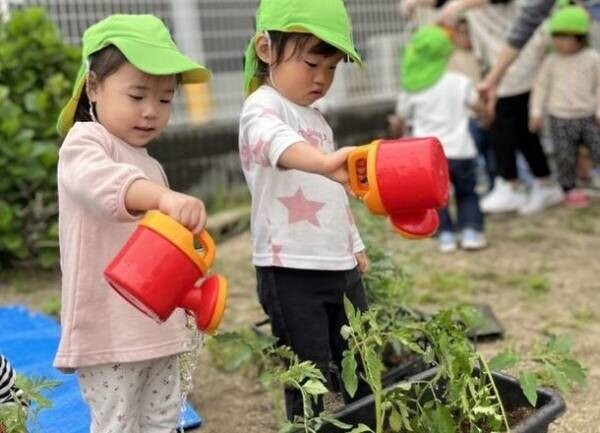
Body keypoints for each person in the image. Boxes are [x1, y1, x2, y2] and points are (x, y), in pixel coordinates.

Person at [53, 14, 211, 433]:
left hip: (157, 328)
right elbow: (107, 186)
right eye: (137, 94)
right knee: (117, 423)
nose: (150, 111)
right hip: (109, 335)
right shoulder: (84, 144)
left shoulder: (152, 167)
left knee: (162, 420)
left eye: (164, 99)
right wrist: (161, 198)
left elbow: (164, 254)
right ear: (93, 87)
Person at [239, 0, 370, 420]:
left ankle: (367, 417)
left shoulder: (318, 119)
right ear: (266, 49)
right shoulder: (262, 107)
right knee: (308, 369)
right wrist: (324, 161)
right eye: (312, 63)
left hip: (338, 262)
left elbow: (334, 192)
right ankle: (308, 426)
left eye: (331, 68)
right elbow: (273, 141)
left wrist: (355, 243)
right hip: (289, 268)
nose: (322, 78)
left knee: (360, 353)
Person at [400, 0, 565, 216]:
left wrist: (458, 6)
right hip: (505, 60)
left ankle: (511, 183)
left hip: (514, 59)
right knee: (521, 129)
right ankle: (541, 183)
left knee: (504, 121)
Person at [389, 25, 487, 252]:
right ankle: (471, 232)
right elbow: (477, 107)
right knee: (467, 192)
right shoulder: (458, 81)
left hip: (427, 156)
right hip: (461, 149)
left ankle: (445, 235)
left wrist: (396, 128)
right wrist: (486, 114)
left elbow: (400, 120)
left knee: (435, 198)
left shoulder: (412, 87)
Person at [529, 3, 600, 207]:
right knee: (565, 155)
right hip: (560, 117)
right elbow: (540, 87)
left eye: (565, 37)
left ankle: (590, 178)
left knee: (596, 148)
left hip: (587, 115)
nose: (559, 43)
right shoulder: (551, 61)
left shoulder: (593, 59)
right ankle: (569, 188)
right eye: (556, 37)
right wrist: (536, 112)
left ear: (579, 37)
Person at [447, 17, 497, 191]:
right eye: (460, 33)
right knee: (471, 154)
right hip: (467, 115)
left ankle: (496, 186)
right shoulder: (451, 58)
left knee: (492, 153)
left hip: (488, 110)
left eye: (468, 32)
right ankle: (475, 187)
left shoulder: (481, 55)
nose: (465, 37)